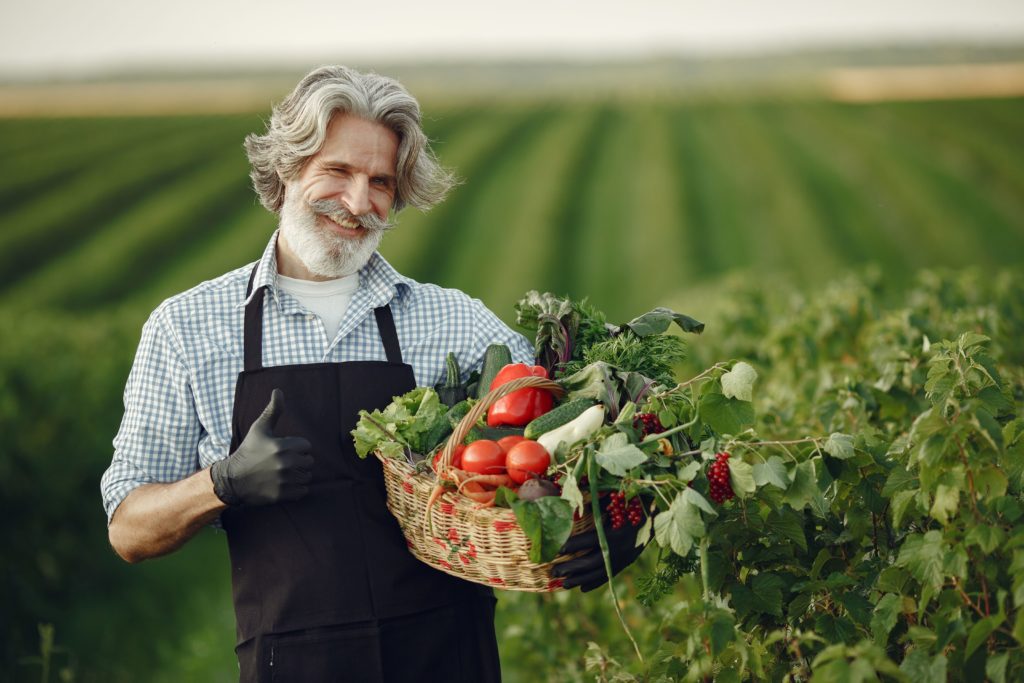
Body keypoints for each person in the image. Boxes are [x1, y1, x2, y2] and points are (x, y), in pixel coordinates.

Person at [100, 65, 642, 683]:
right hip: (292, 667)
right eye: (338, 171)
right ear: (287, 169)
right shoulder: (190, 328)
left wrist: (615, 519)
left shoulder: (454, 322)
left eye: (380, 181)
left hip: (449, 660)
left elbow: (569, 434)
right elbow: (128, 530)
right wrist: (219, 483)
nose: (358, 203)